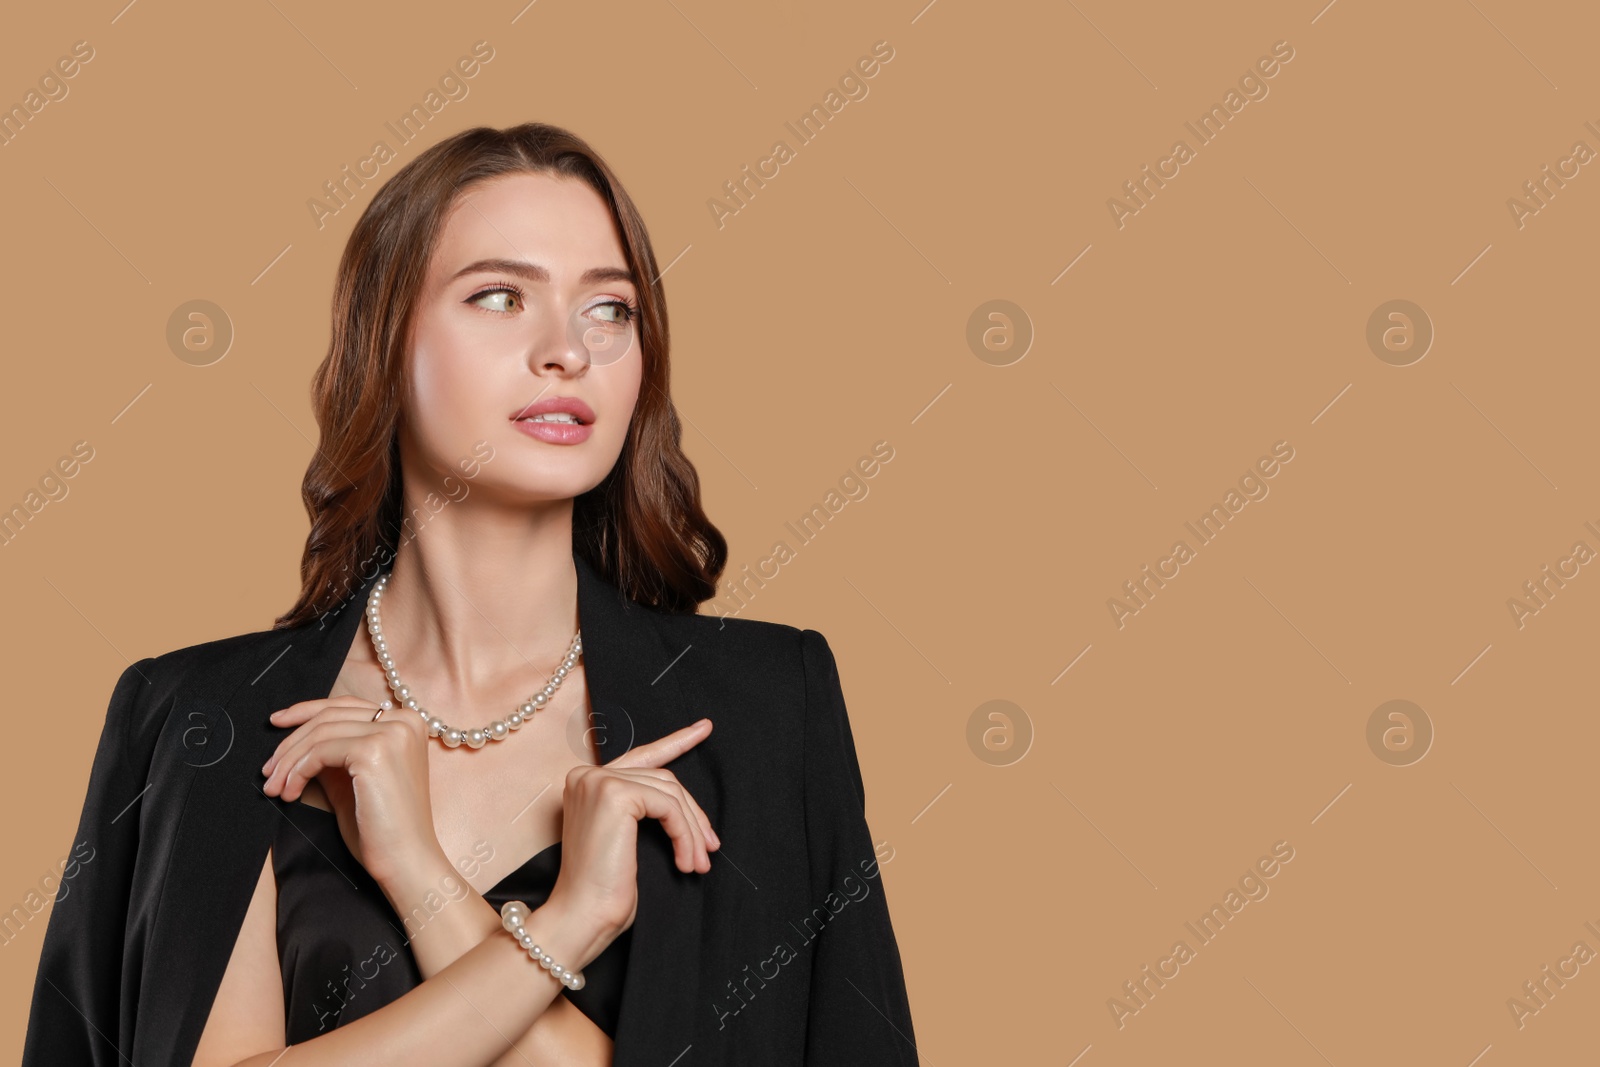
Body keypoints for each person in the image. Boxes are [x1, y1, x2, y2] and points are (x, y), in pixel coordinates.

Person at [21, 122, 920, 1066]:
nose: (568, 349)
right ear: (384, 340)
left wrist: (419, 874)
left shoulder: (767, 705)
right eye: (499, 296)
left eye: (609, 309)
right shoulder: (202, 718)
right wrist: (567, 927)